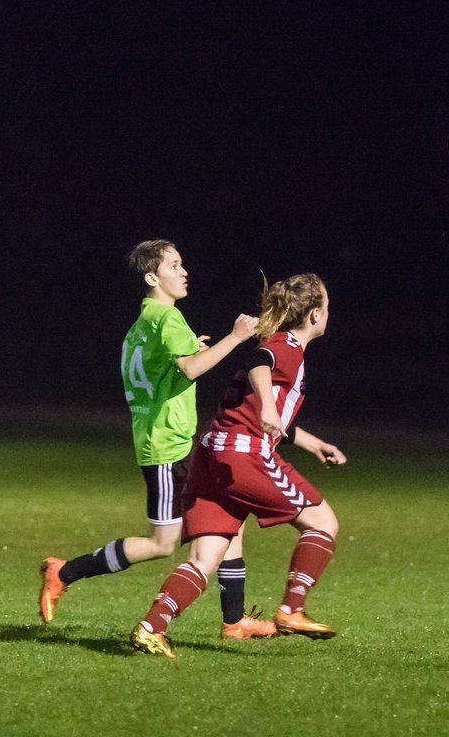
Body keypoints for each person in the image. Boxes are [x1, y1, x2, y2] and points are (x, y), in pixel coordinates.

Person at [39, 240, 276, 638]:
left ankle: (235, 621)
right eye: (175, 265)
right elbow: (190, 369)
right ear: (152, 277)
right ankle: (65, 571)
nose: (184, 272)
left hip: (175, 442)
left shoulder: (143, 322)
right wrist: (234, 337)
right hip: (167, 447)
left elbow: (168, 367)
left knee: (230, 520)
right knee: (162, 543)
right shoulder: (167, 319)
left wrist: (194, 352)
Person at [132, 272, 347, 658]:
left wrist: (313, 443)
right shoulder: (286, 345)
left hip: (211, 454)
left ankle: (151, 627)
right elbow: (257, 359)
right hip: (242, 455)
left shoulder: (283, 345)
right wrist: (267, 406)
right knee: (324, 522)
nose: (329, 313)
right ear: (314, 315)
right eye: (327, 307)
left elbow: (263, 410)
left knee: (205, 558)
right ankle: (292, 609)